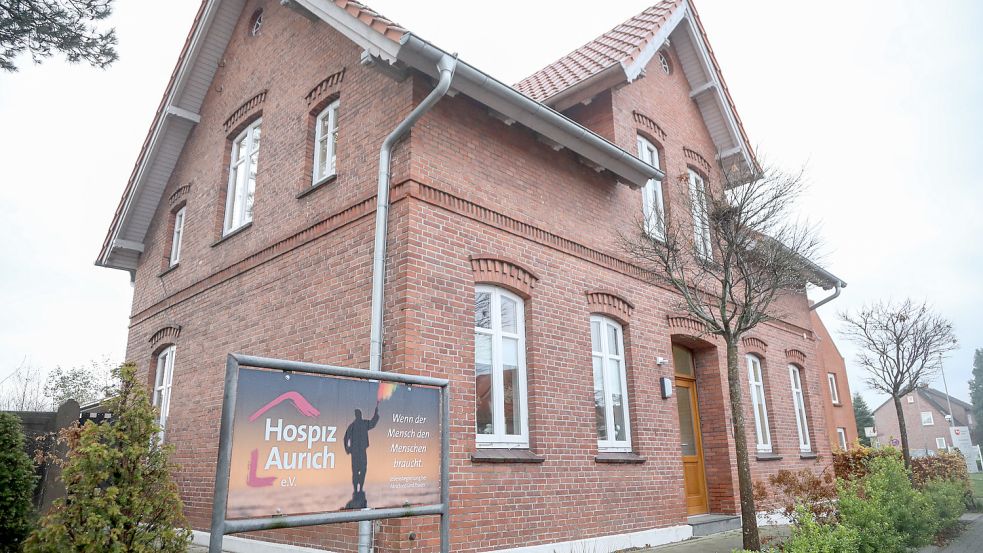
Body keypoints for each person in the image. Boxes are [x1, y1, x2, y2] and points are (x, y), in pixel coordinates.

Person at [344, 405, 379, 498]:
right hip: (355, 453)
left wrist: (376, 414)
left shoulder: (364, 424)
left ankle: (360, 489)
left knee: (363, 470)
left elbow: (372, 423)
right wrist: (347, 448)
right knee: (355, 472)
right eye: (358, 414)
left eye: (360, 414)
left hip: (362, 452)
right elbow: (346, 437)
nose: (360, 415)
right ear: (356, 415)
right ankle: (356, 490)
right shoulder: (352, 426)